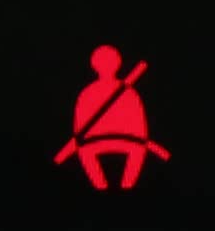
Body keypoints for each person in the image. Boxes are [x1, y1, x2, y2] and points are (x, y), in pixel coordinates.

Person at [56, 46, 168, 188]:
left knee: (85, 152)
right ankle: (126, 185)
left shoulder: (86, 93)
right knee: (138, 151)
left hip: (96, 142)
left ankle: (101, 185)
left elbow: (78, 129)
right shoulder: (130, 92)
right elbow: (141, 128)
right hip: (129, 141)